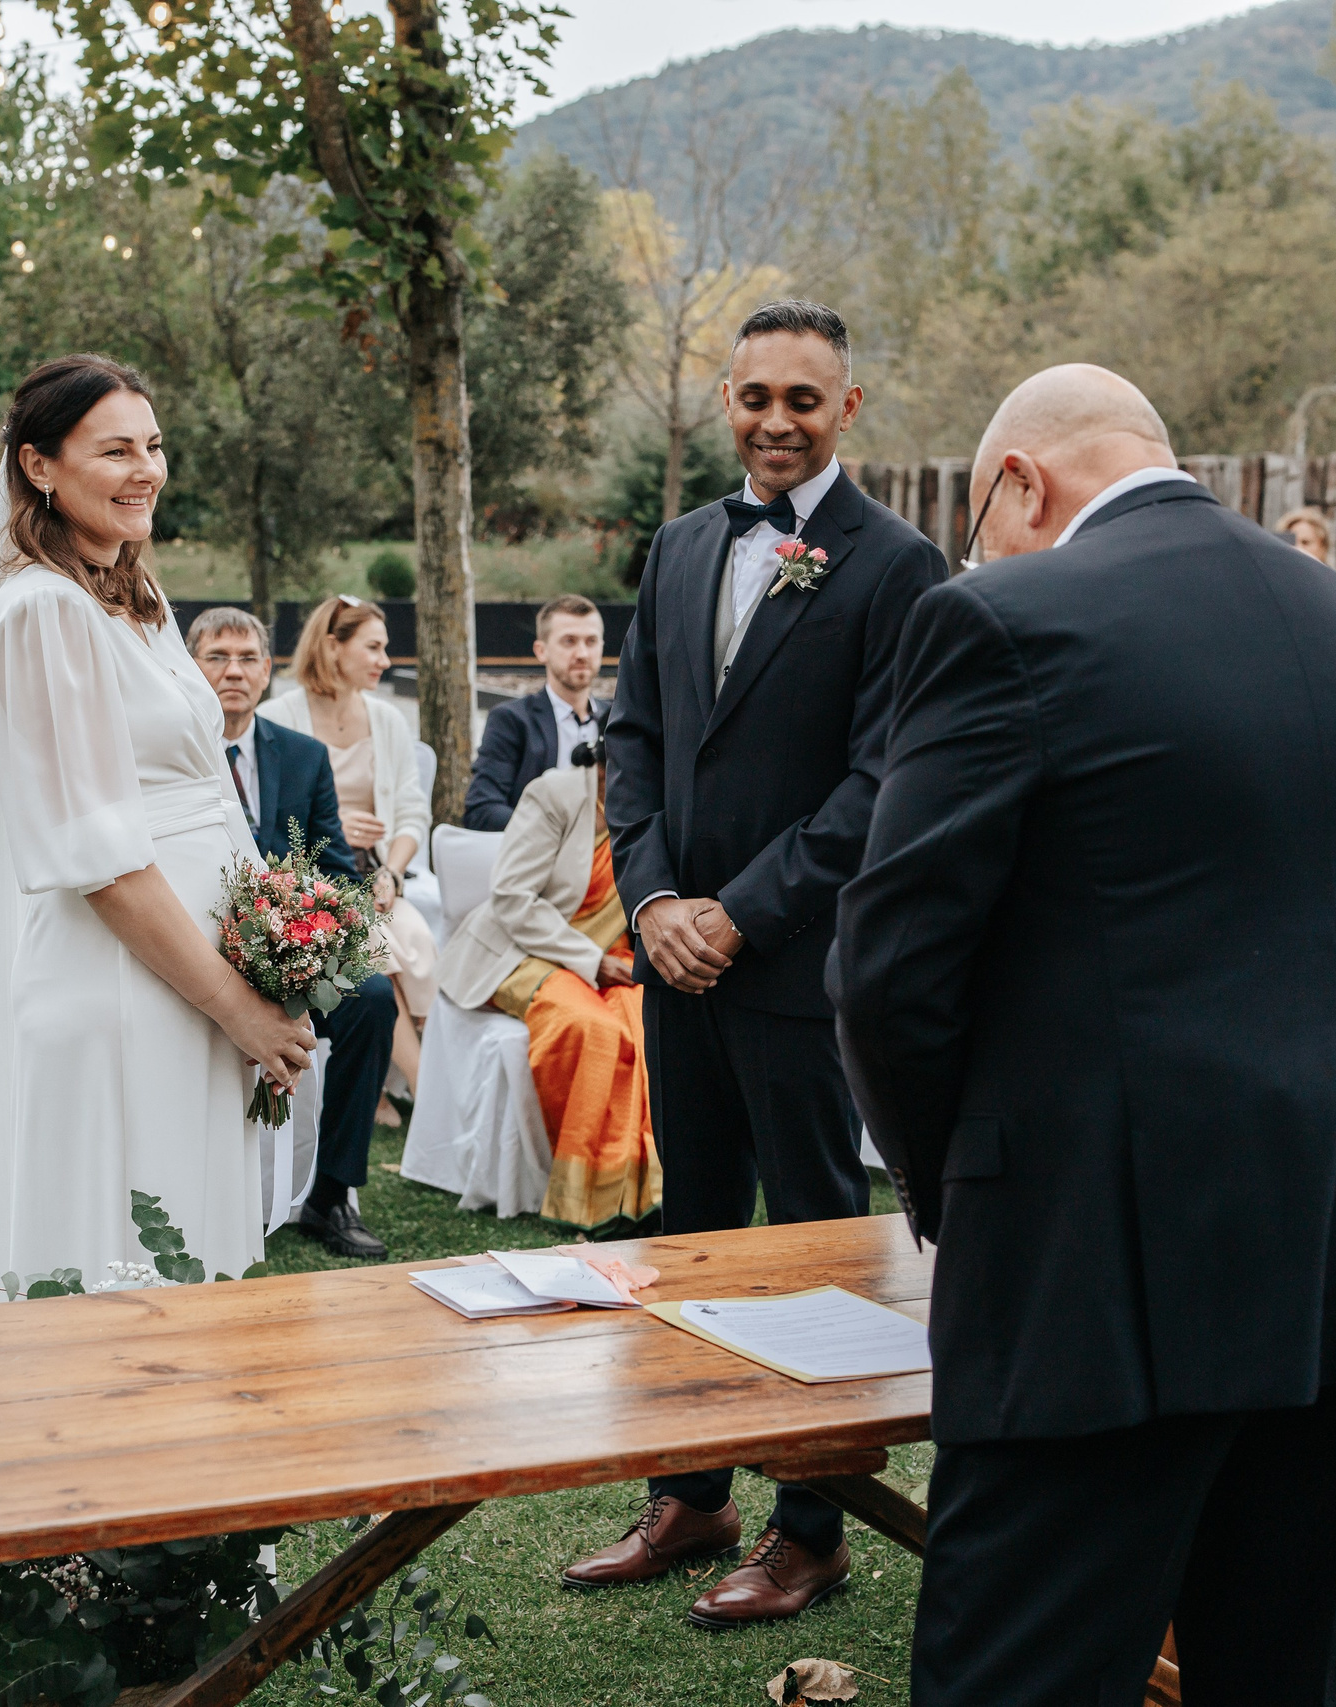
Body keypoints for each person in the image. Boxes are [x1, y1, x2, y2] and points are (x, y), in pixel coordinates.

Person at [831, 363, 1336, 1706]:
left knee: (1026, 1671)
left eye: (983, 514)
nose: (982, 547)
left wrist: (946, 1187)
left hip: (1109, 1263)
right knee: (1303, 1671)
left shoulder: (999, 616)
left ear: (1020, 479)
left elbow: (893, 967)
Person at [582, 299, 945, 1627]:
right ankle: (692, 1489)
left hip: (797, 970)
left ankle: (813, 1525)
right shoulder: (680, 545)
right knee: (691, 1236)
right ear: (723, 401)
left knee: (807, 1251)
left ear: (849, 407)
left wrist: (742, 909)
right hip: (679, 963)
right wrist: (659, 896)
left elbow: (882, 779)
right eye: (754, 396)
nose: (777, 419)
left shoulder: (901, 567)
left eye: (804, 397)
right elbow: (631, 736)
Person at [0, 355, 312, 1289]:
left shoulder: (136, 595)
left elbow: (207, 790)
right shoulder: (44, 613)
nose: (148, 470)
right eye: (117, 450)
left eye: (156, 446)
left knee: (189, 1273)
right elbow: (102, 861)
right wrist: (237, 1006)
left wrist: (278, 943)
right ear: (39, 466)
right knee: (123, 1274)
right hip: (120, 994)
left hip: (193, 978)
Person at [189, 605, 400, 1261]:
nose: (233, 671)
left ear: (268, 668)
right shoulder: (173, 748)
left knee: (373, 998)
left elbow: (334, 865)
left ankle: (330, 1193)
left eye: (248, 657)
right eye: (217, 657)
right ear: (190, 667)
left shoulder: (303, 756)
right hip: (195, 947)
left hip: (294, 947)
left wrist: (331, 929)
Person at [438, 721, 659, 1229]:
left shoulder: (656, 802)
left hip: (612, 955)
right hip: (519, 951)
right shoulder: (556, 793)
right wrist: (588, 959)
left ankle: (640, 1190)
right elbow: (513, 899)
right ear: (607, 756)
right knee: (592, 1029)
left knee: (644, 1023)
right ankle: (591, 1197)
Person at [262, 594, 437, 1127]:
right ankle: (432, 1102)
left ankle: (385, 1081)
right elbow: (272, 818)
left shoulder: (385, 719)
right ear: (333, 647)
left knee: (415, 937)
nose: (385, 661)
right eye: (374, 647)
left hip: (377, 874)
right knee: (378, 945)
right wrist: (333, 830)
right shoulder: (277, 717)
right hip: (311, 882)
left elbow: (411, 811)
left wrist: (390, 869)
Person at [461, 594, 612, 831]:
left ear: (602, 647)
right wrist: (552, 832)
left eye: (591, 641)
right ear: (541, 651)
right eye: (569, 641)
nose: (582, 653)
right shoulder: (511, 721)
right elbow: (482, 809)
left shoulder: (618, 720)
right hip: (544, 855)